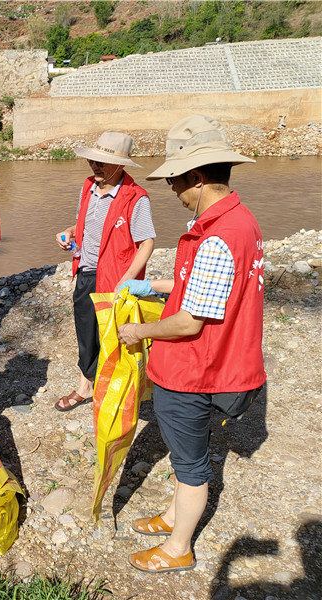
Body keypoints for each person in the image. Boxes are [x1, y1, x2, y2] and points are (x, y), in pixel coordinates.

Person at [117, 115, 265, 574]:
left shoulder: (218, 237)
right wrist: (153, 286)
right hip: (217, 364)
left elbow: (188, 322)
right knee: (186, 455)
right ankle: (173, 514)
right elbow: (202, 287)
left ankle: (179, 546)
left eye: (176, 182)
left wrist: (139, 331)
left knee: (192, 464)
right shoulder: (240, 222)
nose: (173, 192)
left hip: (195, 370)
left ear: (197, 179)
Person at [55, 131, 155, 412]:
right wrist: (69, 233)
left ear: (121, 164)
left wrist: (127, 280)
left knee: (114, 337)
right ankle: (86, 386)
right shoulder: (87, 186)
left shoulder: (136, 198)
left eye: (102, 162)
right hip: (86, 273)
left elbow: (146, 242)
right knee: (86, 333)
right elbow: (82, 226)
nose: (95, 166)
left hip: (116, 279)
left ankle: (116, 391)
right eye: (93, 160)